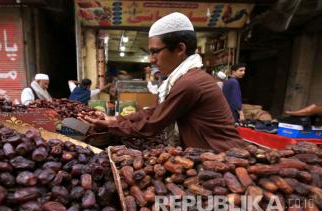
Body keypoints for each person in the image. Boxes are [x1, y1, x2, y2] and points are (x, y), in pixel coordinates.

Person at [81, 12, 244, 151]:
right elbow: (156, 111)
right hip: (211, 158)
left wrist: (111, 125)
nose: (151, 60)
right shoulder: (185, 78)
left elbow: (153, 124)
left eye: (155, 52)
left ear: (180, 49)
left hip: (224, 160)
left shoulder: (191, 83)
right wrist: (116, 120)